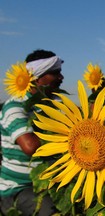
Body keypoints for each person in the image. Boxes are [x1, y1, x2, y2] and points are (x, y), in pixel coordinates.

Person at [0, 49, 64, 215]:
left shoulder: (52, 105)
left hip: (49, 182)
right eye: (55, 73)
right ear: (37, 76)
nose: (61, 78)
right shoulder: (15, 106)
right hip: (20, 188)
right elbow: (30, 146)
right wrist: (71, 139)